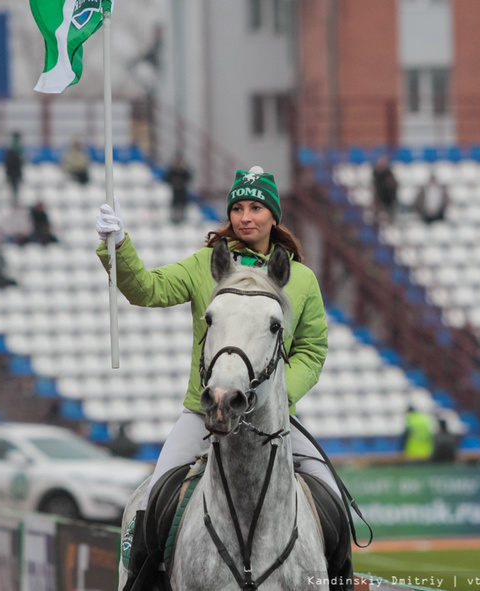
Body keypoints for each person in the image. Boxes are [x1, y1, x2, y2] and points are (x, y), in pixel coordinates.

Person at [96, 166, 330, 590]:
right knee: (150, 505)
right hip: (201, 413)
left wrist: (275, 397)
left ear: (273, 216)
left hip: (273, 420)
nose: (246, 216)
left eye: (256, 207)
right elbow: (147, 289)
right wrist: (117, 246)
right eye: (238, 207)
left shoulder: (302, 280)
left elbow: (312, 351)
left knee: (333, 503)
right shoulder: (207, 264)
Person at [163, 154, 193, 224]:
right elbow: (167, 178)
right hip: (175, 193)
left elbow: (189, 178)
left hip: (182, 193)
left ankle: (183, 219)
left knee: (182, 206)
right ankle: (174, 219)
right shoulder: (172, 172)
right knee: (175, 205)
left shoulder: (184, 173)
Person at [372, 154, 398, 224]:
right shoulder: (375, 173)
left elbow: (393, 187)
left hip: (388, 201)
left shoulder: (390, 174)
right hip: (379, 199)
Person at [4, 131, 24, 206]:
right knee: (14, 188)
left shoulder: (13, 149)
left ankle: (15, 200)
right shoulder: (15, 149)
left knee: (15, 188)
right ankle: (14, 201)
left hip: (13, 173)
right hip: (14, 173)